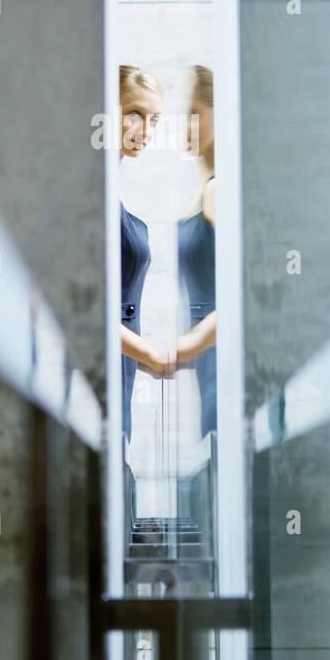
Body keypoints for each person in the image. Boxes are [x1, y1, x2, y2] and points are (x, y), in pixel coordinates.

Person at [118, 64, 173, 442]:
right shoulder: (87, 193)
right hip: (90, 384)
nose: (146, 131)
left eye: (154, 119)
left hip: (116, 381)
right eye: (134, 114)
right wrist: (151, 355)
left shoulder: (109, 191)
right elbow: (78, 311)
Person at [175, 65, 216, 437]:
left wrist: (183, 349)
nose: (185, 127)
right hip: (209, 369)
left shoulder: (217, 192)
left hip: (223, 370)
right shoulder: (205, 191)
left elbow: (244, 300)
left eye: (194, 114)